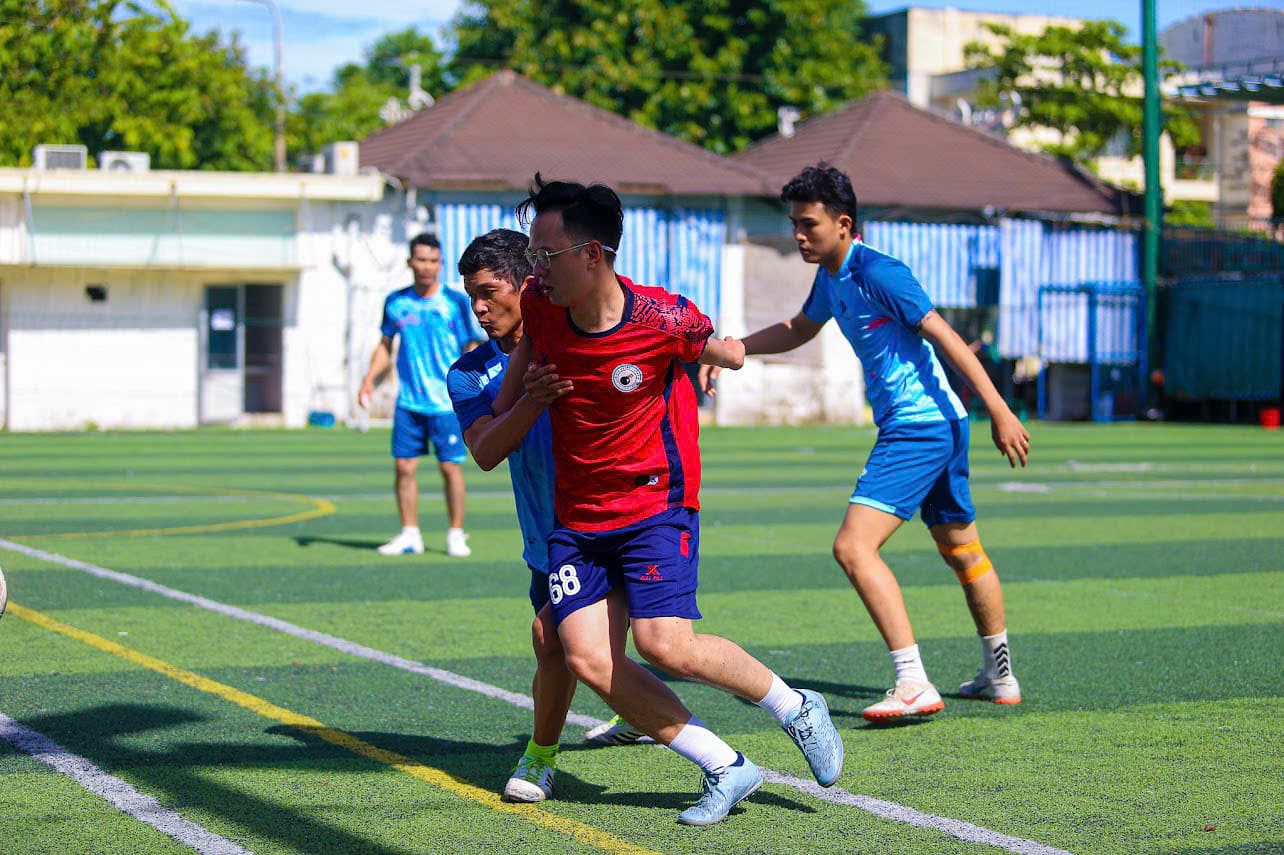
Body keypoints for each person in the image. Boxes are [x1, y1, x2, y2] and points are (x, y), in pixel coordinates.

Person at [492, 174, 844, 826]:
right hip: (579, 519)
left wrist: (717, 356)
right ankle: (726, 765)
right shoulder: (540, 305)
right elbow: (506, 406)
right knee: (587, 656)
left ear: (591, 254)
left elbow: (724, 350)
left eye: (546, 254)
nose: (535, 270)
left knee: (666, 645)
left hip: (656, 505)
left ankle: (795, 705)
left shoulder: (664, 317)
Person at [701, 164, 1029, 722]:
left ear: (844, 224)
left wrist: (999, 409)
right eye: (794, 223)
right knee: (963, 551)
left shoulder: (879, 272)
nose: (798, 235)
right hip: (942, 424)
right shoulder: (832, 276)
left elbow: (946, 336)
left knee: (853, 548)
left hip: (919, 427)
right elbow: (800, 328)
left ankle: (913, 682)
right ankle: (1000, 674)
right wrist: (735, 349)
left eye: (808, 224)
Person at [445, 229, 649, 804]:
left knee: (553, 640)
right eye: (471, 296)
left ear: (527, 286)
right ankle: (638, 709)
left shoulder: (578, 338)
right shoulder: (469, 372)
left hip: (610, 522)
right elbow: (486, 451)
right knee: (587, 650)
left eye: (489, 292)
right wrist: (533, 397)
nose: (479, 308)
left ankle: (539, 759)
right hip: (544, 539)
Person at [358, 234, 484, 558]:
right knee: (403, 467)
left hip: (446, 403)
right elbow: (385, 346)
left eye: (433, 261)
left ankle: (456, 533)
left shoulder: (455, 302)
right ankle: (409, 533)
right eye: (421, 260)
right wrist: (369, 380)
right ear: (410, 262)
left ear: (440, 264)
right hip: (409, 402)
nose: (427, 267)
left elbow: (471, 346)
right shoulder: (396, 302)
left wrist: (472, 388)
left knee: (450, 468)